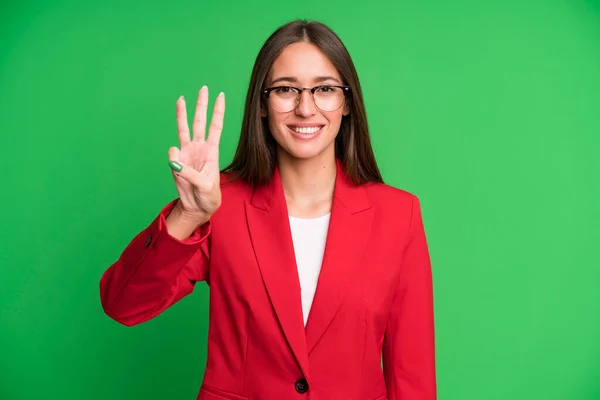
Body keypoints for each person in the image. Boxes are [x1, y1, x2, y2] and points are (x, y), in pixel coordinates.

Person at [100, 19, 436, 400]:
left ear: (346, 103)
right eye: (285, 89)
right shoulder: (219, 204)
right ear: (262, 104)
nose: (305, 108)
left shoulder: (399, 215)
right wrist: (188, 214)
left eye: (324, 89)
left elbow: (413, 377)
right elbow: (122, 304)